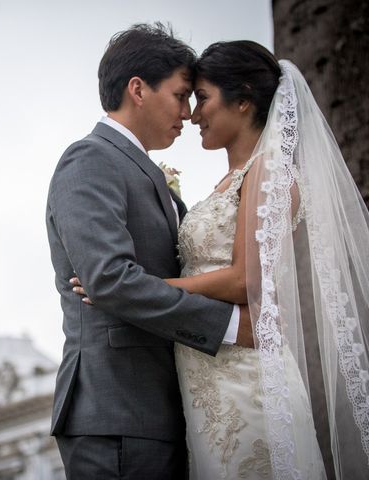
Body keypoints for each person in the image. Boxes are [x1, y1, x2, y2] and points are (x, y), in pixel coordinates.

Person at [73, 41, 369, 479]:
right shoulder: (226, 183)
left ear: (244, 100)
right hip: (205, 380)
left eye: (203, 99)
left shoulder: (267, 170)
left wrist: (134, 289)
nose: (193, 114)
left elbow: (245, 278)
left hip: (242, 379)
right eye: (186, 99)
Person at [46, 24, 253, 479]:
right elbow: (109, 280)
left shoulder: (146, 173)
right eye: (181, 95)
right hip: (117, 409)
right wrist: (232, 325)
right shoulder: (90, 159)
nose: (189, 112)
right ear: (138, 89)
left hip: (163, 409)